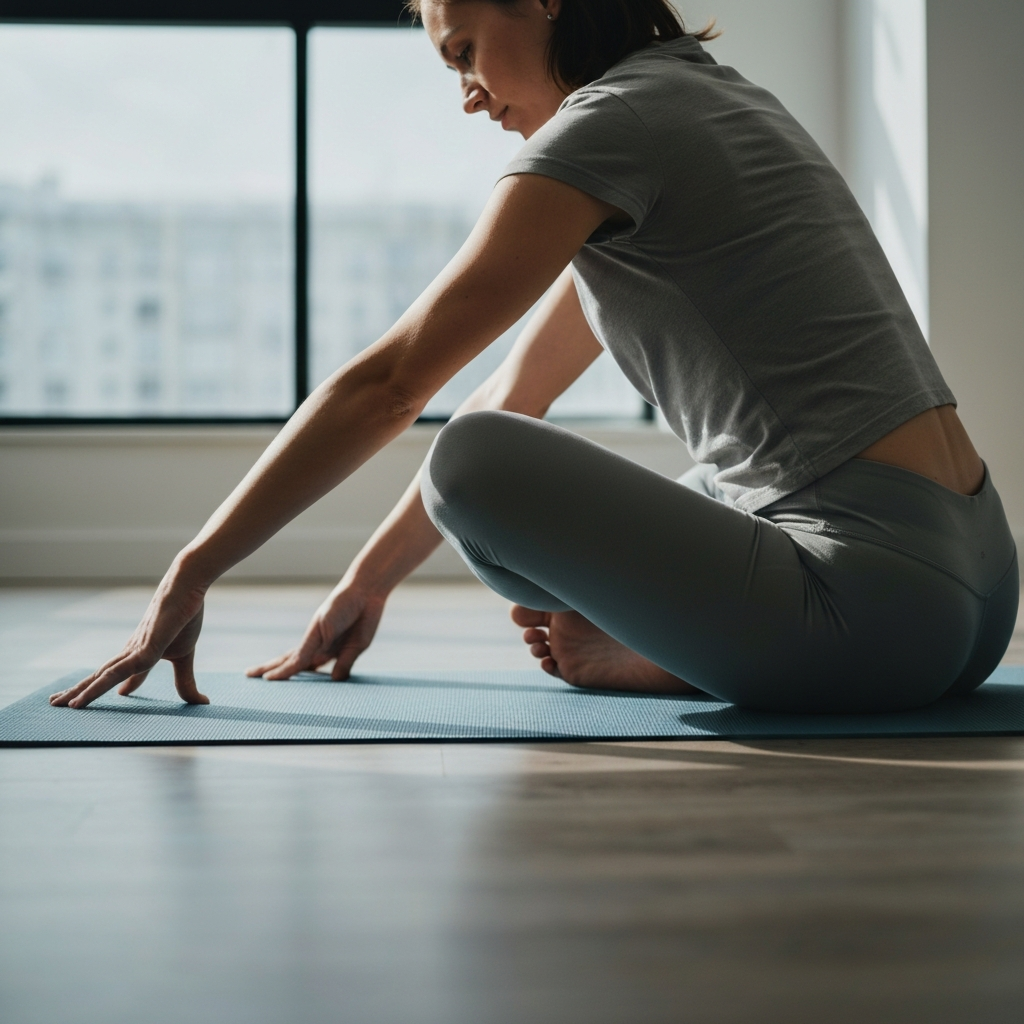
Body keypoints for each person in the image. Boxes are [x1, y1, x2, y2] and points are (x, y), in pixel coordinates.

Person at [52, 0, 1017, 715]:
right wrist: (367, 584)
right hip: (977, 589)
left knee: (469, 459)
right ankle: (709, 645)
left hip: (871, 609)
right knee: (646, 470)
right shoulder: (704, 105)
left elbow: (395, 387)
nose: (468, 97)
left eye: (464, 53)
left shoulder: (609, 127)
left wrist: (191, 570)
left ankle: (673, 655)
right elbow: (519, 391)